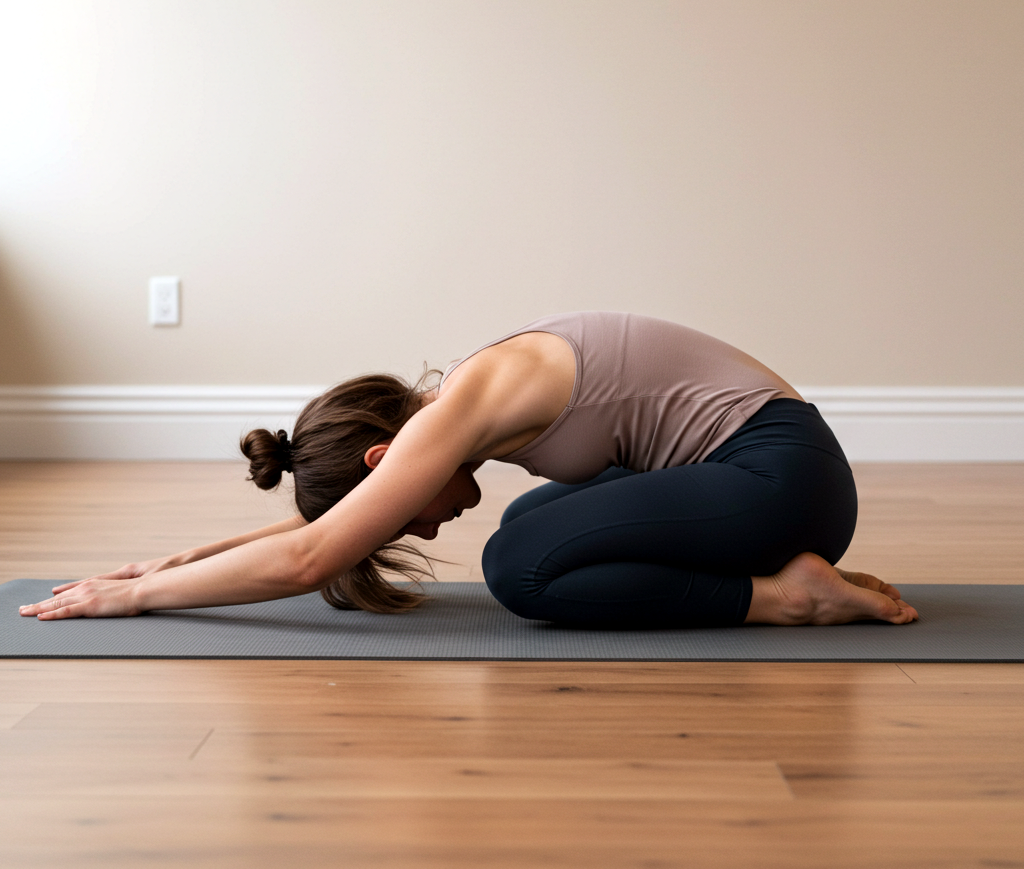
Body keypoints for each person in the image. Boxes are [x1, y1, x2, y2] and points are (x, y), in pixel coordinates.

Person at [19, 312, 918, 628]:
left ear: (384, 459)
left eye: (398, 506)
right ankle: (783, 572)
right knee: (529, 524)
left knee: (516, 567)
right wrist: (170, 562)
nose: (416, 524)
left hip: (780, 479)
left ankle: (784, 598)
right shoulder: (459, 400)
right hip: (767, 476)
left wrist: (135, 600)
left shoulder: (464, 409)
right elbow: (324, 529)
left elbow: (312, 557)